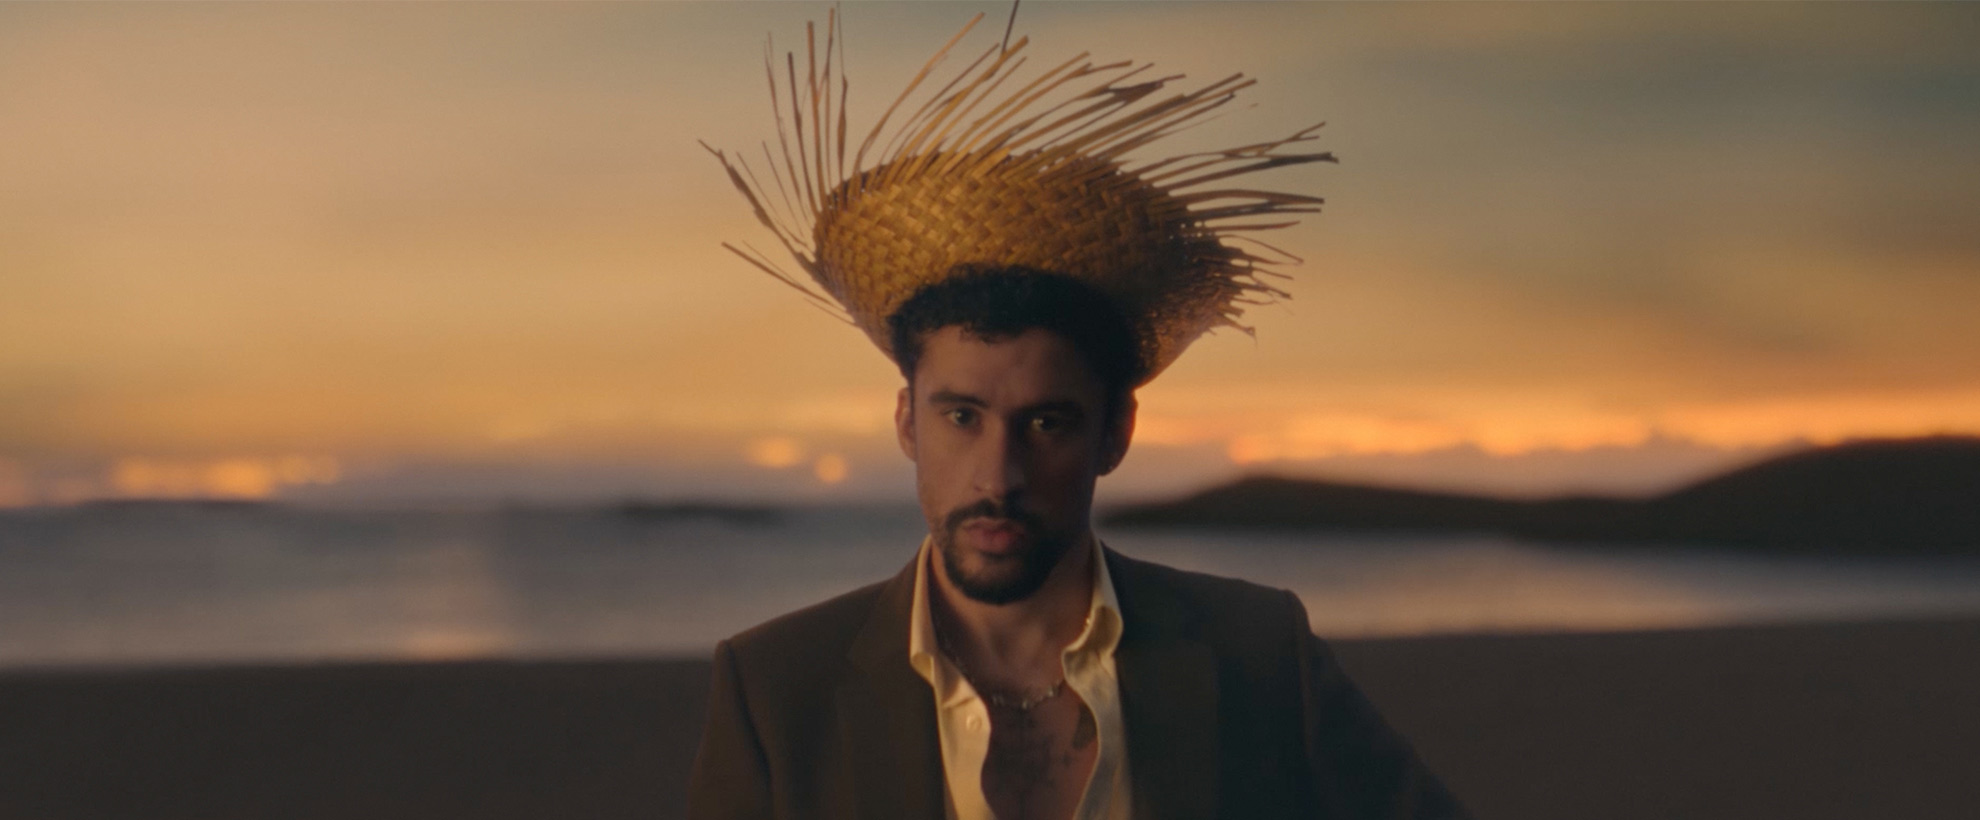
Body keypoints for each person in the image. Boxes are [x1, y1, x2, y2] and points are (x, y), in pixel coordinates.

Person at [689, 9, 1469, 819]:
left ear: (1115, 434)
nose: (999, 475)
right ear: (907, 423)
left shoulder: (1259, 651)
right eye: (962, 416)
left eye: (1046, 422)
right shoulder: (775, 688)